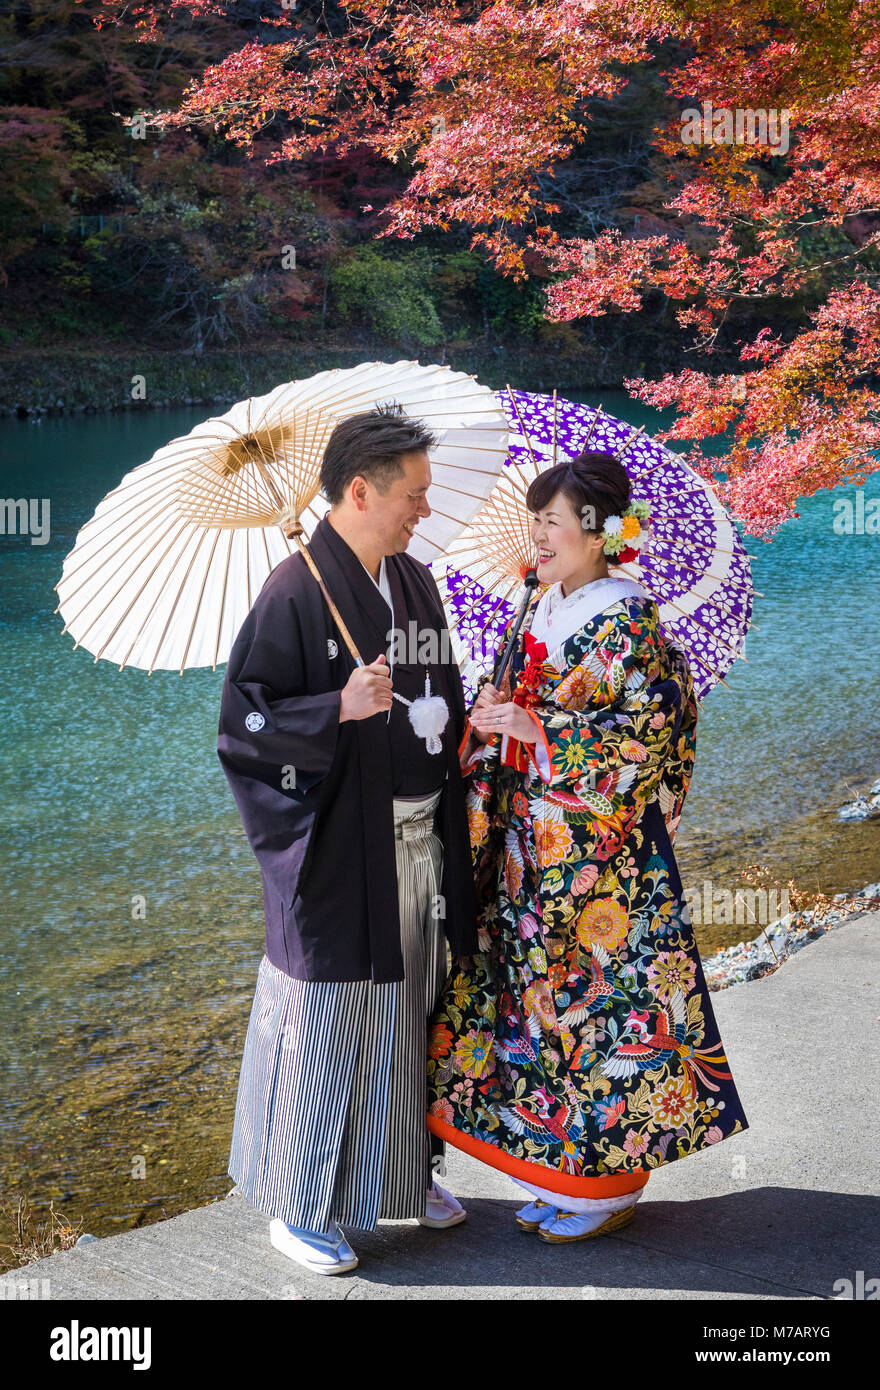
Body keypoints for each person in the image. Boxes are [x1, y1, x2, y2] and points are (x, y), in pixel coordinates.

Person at [426, 450, 750, 1242]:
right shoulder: (539, 605)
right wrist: (494, 716)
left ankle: (605, 1188)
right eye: (534, 519)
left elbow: (647, 735)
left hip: (600, 864)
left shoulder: (628, 616)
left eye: (552, 521)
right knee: (540, 1014)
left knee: (601, 1015)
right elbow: (508, 710)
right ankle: (565, 1176)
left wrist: (535, 728)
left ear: (598, 531)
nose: (538, 534)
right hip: (529, 855)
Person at [218, 404, 478, 1274]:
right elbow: (243, 724)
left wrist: (465, 728)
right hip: (336, 851)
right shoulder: (295, 591)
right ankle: (299, 1206)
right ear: (359, 490)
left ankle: (402, 1174)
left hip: (414, 845)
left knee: (408, 1016)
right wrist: (333, 706)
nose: (425, 511)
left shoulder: (409, 581)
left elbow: (437, 694)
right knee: (327, 1020)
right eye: (414, 495)